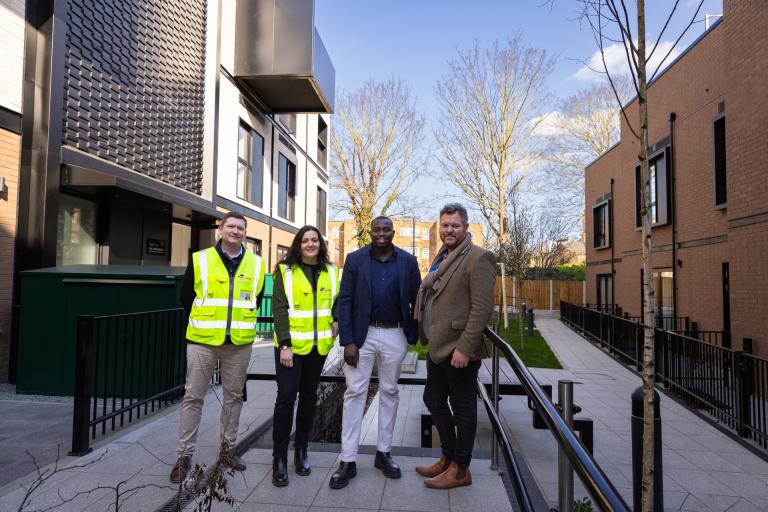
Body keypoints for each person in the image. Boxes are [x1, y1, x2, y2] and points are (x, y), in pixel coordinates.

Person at [170, 212, 267, 483]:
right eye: (231, 226)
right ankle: (184, 456)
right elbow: (187, 297)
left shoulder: (257, 264)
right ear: (220, 230)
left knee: (233, 398)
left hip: (238, 344)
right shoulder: (200, 259)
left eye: (241, 228)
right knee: (193, 397)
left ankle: (227, 451)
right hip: (203, 342)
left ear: (245, 233)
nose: (236, 231)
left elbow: (255, 300)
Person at [329, 216, 422, 489]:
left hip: (395, 334)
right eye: (376, 230)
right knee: (355, 393)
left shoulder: (407, 261)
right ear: (370, 232)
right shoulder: (356, 259)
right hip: (362, 336)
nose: (381, 234)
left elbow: (417, 298)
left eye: (386, 230)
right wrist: (348, 340)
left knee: (390, 392)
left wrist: (413, 333)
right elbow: (345, 299)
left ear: (393, 232)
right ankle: (348, 460)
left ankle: (383, 453)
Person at [414, 203, 496, 489]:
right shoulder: (442, 258)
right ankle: (447, 457)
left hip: (459, 349)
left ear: (466, 227)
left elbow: (482, 308)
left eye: (455, 225)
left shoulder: (479, 258)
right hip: (437, 346)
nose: (449, 230)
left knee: (462, 408)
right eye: (445, 225)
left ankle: (461, 468)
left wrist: (465, 347)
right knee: (433, 401)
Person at [270, 225, 340, 487]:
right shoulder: (285, 271)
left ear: (320, 245)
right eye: (305, 241)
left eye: (314, 240)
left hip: (318, 347)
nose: (310, 244)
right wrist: (285, 345)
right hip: (290, 348)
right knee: (286, 398)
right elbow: (278, 308)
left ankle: (301, 450)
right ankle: (278, 457)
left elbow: (338, 301)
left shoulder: (332, 272)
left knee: (310, 398)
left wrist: (338, 319)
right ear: (298, 245)